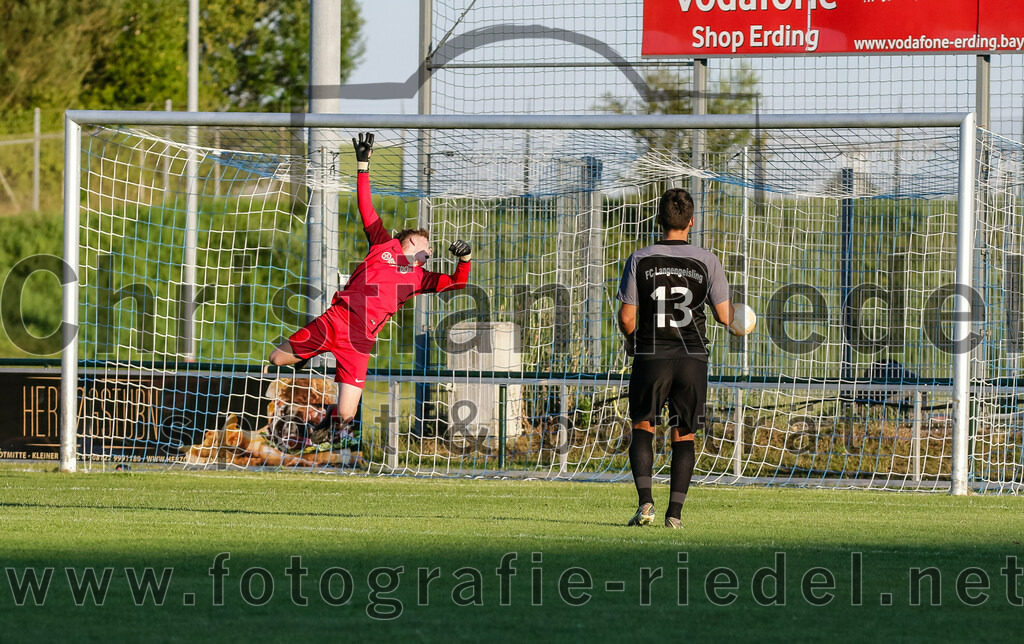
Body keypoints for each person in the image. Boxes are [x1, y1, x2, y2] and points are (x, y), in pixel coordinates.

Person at [268, 132, 472, 448]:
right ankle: (298, 398)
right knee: (277, 358)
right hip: (336, 319)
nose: (430, 252)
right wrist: (363, 165)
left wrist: (466, 259)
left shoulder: (420, 278)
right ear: (412, 241)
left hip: (361, 340)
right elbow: (366, 205)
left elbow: (458, 283)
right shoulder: (382, 244)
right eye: (427, 246)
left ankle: (321, 427)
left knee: (347, 413)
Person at [616, 187, 737, 528]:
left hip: (652, 354)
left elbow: (627, 318)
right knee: (684, 434)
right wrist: (741, 322)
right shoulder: (707, 260)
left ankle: (645, 505)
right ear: (691, 222)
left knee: (643, 426)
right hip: (692, 358)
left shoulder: (640, 258)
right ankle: (675, 516)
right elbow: (726, 317)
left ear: (658, 221)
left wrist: (631, 342)